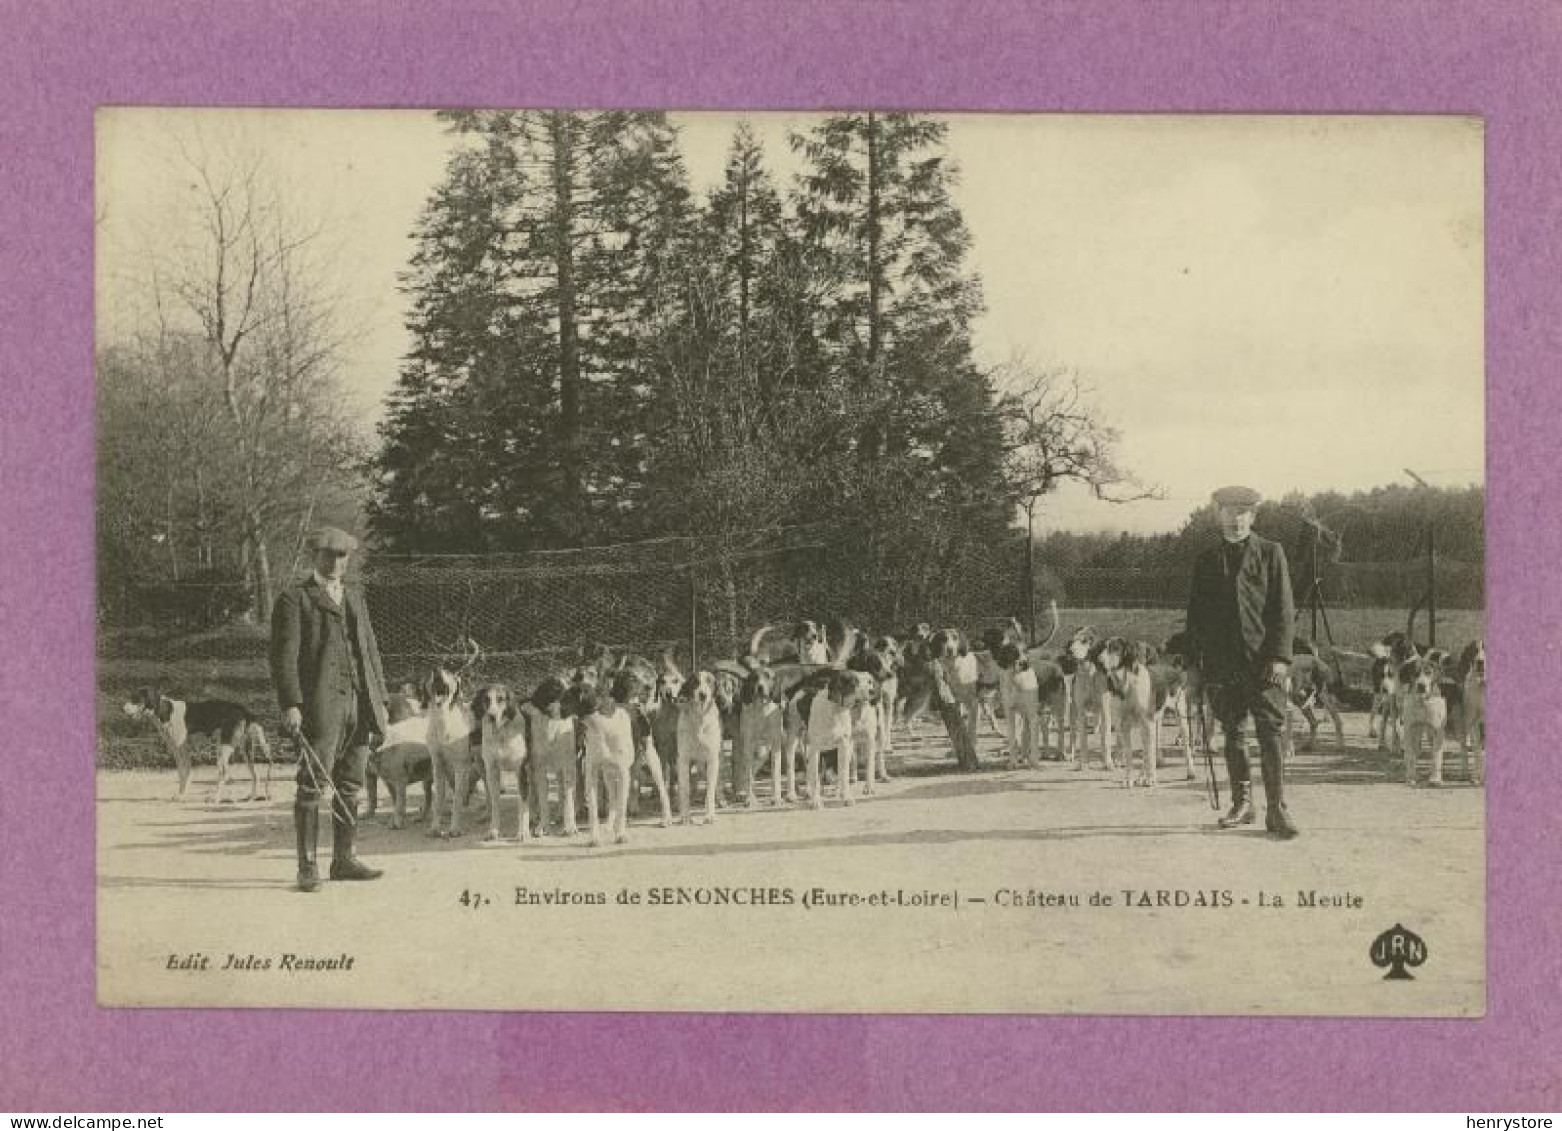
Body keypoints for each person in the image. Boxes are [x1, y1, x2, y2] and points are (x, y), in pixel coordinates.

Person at [270, 526, 391, 890]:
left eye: (343, 556)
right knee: (311, 785)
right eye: (330, 555)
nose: (338, 562)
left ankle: (344, 859)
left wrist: (381, 700)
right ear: (316, 556)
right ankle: (307, 868)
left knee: (350, 785)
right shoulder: (295, 599)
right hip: (321, 706)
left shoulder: (355, 597)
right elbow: (283, 659)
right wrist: (291, 704)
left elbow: (369, 651)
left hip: (360, 703)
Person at [1185, 486, 1299, 838]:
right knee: (1232, 732)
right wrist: (1193, 667)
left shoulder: (1270, 553)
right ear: (1217, 514)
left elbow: (1283, 610)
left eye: (1243, 512)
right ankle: (1242, 803)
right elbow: (1196, 619)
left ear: (1253, 516)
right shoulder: (1206, 560)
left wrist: (1280, 658)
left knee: (1271, 733)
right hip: (1222, 665)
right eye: (1228, 511)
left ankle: (1277, 809)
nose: (1236, 519)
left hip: (1264, 664)